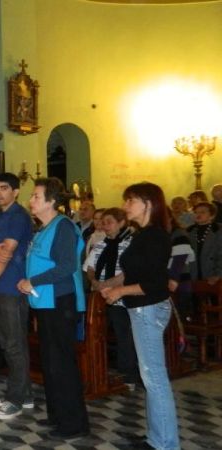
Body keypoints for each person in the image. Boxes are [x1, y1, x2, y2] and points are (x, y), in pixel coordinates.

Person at [101, 182, 180, 450]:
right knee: (150, 377)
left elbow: (156, 283)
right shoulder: (142, 234)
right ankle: (156, 438)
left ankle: (166, 444)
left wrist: (120, 290)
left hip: (148, 307)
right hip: (142, 307)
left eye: (130, 200)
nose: (125, 206)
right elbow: (136, 271)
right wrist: (111, 284)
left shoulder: (155, 236)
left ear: (147, 203)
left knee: (154, 378)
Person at [17, 177, 89, 439]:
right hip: (46, 302)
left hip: (61, 302)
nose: (31, 201)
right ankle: (58, 416)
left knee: (62, 363)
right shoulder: (43, 229)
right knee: (50, 362)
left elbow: (66, 266)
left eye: (36, 196)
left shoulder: (64, 227)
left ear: (52, 202)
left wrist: (32, 281)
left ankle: (74, 424)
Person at [0, 173, 34, 420]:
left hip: (13, 287)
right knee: (9, 343)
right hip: (0, 287)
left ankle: (15, 400)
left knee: (13, 345)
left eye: (4, 188)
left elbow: (6, 254)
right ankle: (26, 394)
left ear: (16, 191)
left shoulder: (18, 217)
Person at [84, 207, 138, 390]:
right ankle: (99, 369)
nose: (104, 226)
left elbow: (129, 271)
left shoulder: (131, 244)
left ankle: (128, 374)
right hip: (99, 296)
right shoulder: (101, 243)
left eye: (109, 222)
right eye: (103, 222)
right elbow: (90, 266)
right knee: (96, 333)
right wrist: (94, 281)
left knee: (123, 334)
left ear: (121, 223)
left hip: (121, 296)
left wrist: (107, 283)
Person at [186, 201, 222, 284]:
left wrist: (218, 275)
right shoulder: (189, 231)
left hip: (214, 275)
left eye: (202, 212)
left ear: (212, 215)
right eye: (195, 212)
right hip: (193, 275)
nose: (198, 214)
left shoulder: (218, 230)